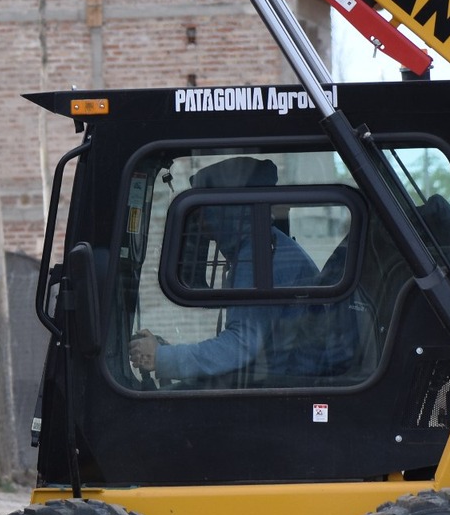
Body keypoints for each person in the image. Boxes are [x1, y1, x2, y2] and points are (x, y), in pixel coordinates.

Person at [128, 157, 329, 385]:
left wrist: (163, 357)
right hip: (277, 379)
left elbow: (240, 346)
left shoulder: (260, 255)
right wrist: (168, 353)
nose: (204, 226)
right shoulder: (262, 245)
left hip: (286, 387)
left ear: (228, 210)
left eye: (206, 213)